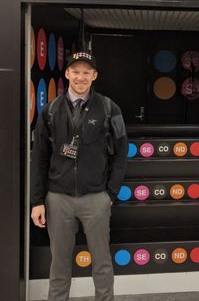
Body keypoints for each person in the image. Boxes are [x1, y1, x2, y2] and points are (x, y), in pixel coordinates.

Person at [30, 52, 128, 301]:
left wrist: (110, 194)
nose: (80, 77)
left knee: (102, 263)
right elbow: (39, 156)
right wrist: (37, 201)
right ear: (67, 74)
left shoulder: (109, 108)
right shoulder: (50, 110)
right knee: (59, 265)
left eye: (86, 72)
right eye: (76, 71)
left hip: (96, 198)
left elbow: (121, 151)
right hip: (58, 199)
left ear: (94, 76)